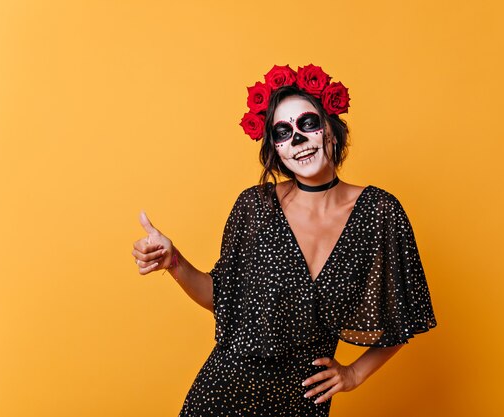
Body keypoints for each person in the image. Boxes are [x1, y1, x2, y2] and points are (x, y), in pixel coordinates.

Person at [131, 64, 437, 417]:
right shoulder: (255, 207)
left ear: (331, 131)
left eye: (307, 124)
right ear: (277, 150)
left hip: (302, 403)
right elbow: (222, 299)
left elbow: (404, 314)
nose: (297, 139)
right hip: (221, 396)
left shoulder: (379, 212)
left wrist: (354, 373)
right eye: (282, 132)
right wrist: (174, 262)